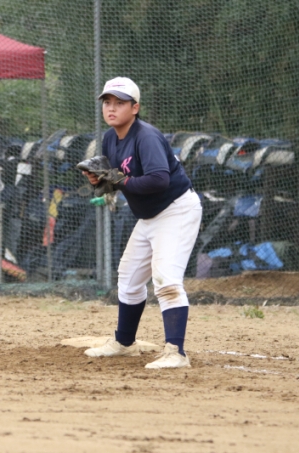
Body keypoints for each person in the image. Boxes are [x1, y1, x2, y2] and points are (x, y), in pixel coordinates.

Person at [80, 77, 202, 368]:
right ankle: (124, 343)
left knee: (166, 280)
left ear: (135, 108)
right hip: (150, 216)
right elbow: (119, 182)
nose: (111, 108)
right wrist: (100, 181)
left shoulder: (145, 136)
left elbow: (158, 180)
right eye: (107, 102)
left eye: (119, 103)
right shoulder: (110, 138)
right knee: (129, 277)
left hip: (176, 210)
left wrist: (116, 179)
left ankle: (176, 353)